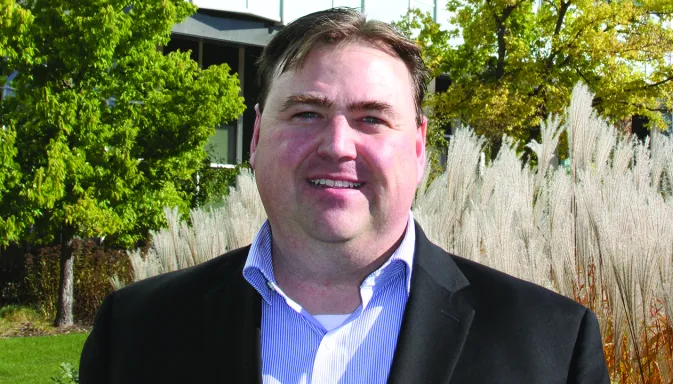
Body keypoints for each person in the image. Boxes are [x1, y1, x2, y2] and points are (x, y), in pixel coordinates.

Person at [80, 8, 609, 384]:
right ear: (258, 137)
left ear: (420, 147)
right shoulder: (135, 332)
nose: (337, 146)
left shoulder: (552, 345)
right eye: (307, 112)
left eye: (371, 119)